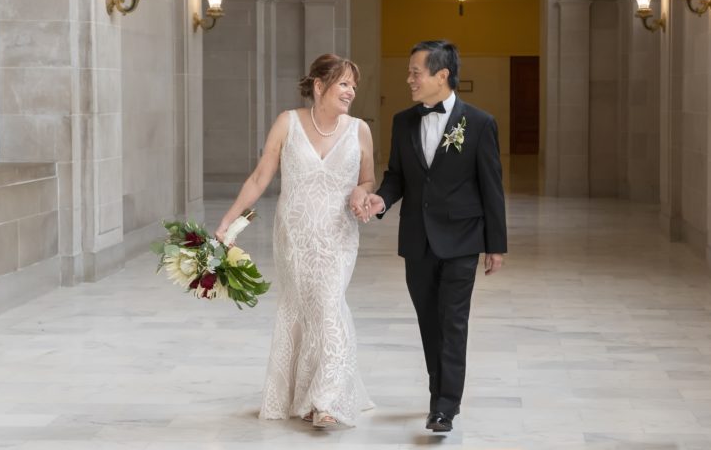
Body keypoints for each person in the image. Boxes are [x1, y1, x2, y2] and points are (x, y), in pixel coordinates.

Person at [215, 54, 375, 429]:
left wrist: (361, 194)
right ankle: (305, 396)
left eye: (354, 85)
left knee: (330, 306)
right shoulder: (287, 123)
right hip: (295, 237)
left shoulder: (359, 130)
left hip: (338, 236)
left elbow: (368, 180)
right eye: (344, 83)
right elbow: (259, 179)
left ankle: (327, 401)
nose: (351, 91)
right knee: (303, 310)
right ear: (319, 86)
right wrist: (226, 222)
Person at [362, 40, 507, 433]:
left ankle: (445, 406)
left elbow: (491, 187)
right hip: (417, 240)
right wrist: (380, 201)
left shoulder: (478, 123)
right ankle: (437, 392)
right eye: (409, 72)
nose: (408, 78)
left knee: (453, 322)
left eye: (415, 72)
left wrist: (496, 244)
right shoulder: (402, 121)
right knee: (430, 322)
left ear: (442, 75)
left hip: (462, 240)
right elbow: (397, 176)